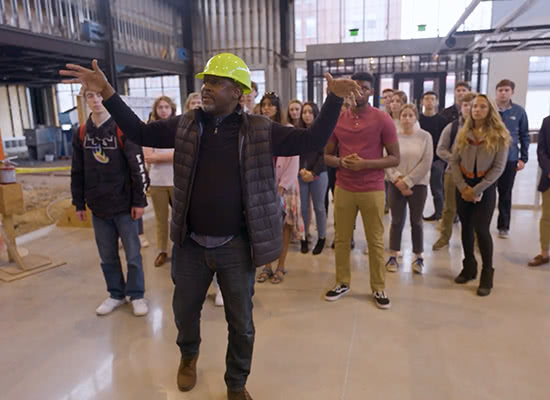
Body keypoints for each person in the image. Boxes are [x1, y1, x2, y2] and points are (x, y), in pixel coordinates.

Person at [61, 53, 360, 400]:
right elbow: (141, 131)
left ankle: (236, 382)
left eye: (216, 83)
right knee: (184, 313)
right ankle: (189, 355)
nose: (206, 88)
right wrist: (109, 93)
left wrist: (334, 98)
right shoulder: (187, 124)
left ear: (238, 93)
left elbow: (310, 142)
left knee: (242, 323)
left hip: (236, 245)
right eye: (205, 81)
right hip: (190, 245)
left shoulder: (260, 130)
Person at [324, 71, 400, 309]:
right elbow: (326, 155)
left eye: (365, 88)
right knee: (342, 239)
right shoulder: (338, 119)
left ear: (372, 92)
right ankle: (342, 282)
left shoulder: (382, 119)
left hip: (373, 188)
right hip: (344, 187)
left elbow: (395, 158)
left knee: (375, 240)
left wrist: (365, 164)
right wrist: (340, 162)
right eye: (356, 88)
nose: (360, 92)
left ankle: (378, 287)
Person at [71, 88, 149, 316]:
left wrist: (139, 201)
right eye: (90, 96)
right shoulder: (82, 133)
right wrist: (78, 203)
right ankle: (116, 293)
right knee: (107, 255)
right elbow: (77, 170)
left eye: (99, 96)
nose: (96, 101)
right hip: (98, 207)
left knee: (133, 254)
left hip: (125, 206)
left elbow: (138, 168)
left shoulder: (122, 129)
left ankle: (136, 294)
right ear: (85, 100)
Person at [450, 94, 510, 296]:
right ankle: (469, 267)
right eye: (475, 106)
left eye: (482, 106)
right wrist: (462, 187)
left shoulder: (499, 135)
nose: (477, 110)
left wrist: (476, 190)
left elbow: (498, 168)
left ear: (490, 110)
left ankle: (487, 273)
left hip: (485, 186)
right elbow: (454, 162)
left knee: (481, 229)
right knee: (465, 228)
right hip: (463, 186)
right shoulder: (462, 133)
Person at [256, 92, 303, 284]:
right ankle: (266, 266)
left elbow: (294, 160)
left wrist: (282, 187)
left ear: (277, 108)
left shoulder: (287, 129)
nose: (267, 108)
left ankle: (281, 266)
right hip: (263, 186)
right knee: (265, 229)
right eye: (264, 104)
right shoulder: (257, 130)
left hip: (286, 186)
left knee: (284, 228)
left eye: (271, 105)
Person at [385, 104, 433, 274]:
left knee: (416, 221)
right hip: (395, 184)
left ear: (416, 117)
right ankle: (393, 254)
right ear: (400, 118)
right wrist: (398, 180)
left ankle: (418, 257)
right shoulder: (393, 136)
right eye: (404, 115)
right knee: (396, 221)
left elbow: (426, 162)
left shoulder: (425, 137)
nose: (406, 118)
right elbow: (387, 159)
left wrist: (409, 182)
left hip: (418, 185)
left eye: (410, 115)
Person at [432, 92, 476, 250]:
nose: (469, 108)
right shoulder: (452, 127)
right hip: (452, 173)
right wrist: (455, 160)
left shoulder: (484, 129)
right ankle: (444, 237)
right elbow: (441, 149)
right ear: (460, 108)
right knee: (449, 208)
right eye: (465, 105)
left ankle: (477, 240)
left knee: (474, 210)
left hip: (476, 176)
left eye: (472, 105)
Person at [494, 79, 530, 238]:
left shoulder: (519, 112)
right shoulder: (490, 110)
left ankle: (503, 226)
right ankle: (480, 225)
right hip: (489, 160)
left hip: (510, 159)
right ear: (496, 92)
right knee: (486, 194)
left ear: (512, 92)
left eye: (506, 90)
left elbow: (524, 135)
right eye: (500, 90)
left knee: (505, 193)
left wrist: (523, 158)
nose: (503, 93)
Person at [144, 96, 176, 268]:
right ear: (156, 110)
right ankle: (162, 250)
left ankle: (182, 250)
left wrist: (159, 156)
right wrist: (173, 155)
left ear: (172, 109)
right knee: (161, 220)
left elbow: (186, 152)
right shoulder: (150, 130)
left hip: (178, 181)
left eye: (166, 107)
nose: (163, 110)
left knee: (181, 219)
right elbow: (148, 157)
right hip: (157, 182)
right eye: (160, 107)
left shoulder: (179, 128)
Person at [298, 102, 328, 255]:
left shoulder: (322, 131)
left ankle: (322, 237)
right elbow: (295, 153)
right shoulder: (298, 131)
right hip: (301, 173)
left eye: (310, 112)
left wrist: (313, 173)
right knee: (302, 208)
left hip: (319, 173)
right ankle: (303, 238)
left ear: (315, 114)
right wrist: (301, 170)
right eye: (304, 112)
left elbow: (324, 156)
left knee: (319, 207)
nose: (307, 115)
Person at [419, 91, 447, 221]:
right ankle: (417, 213)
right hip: (420, 159)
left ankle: (439, 213)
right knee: (419, 188)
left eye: (432, 99)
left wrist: (442, 159)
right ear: (422, 102)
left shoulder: (442, 121)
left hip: (437, 160)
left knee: (437, 189)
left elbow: (445, 142)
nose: (429, 101)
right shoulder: (418, 119)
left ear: (436, 102)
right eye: (426, 99)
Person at [528, 114, 550, 266]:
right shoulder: (547, 122)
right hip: (549, 178)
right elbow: (541, 150)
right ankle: (544, 253)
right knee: (547, 217)